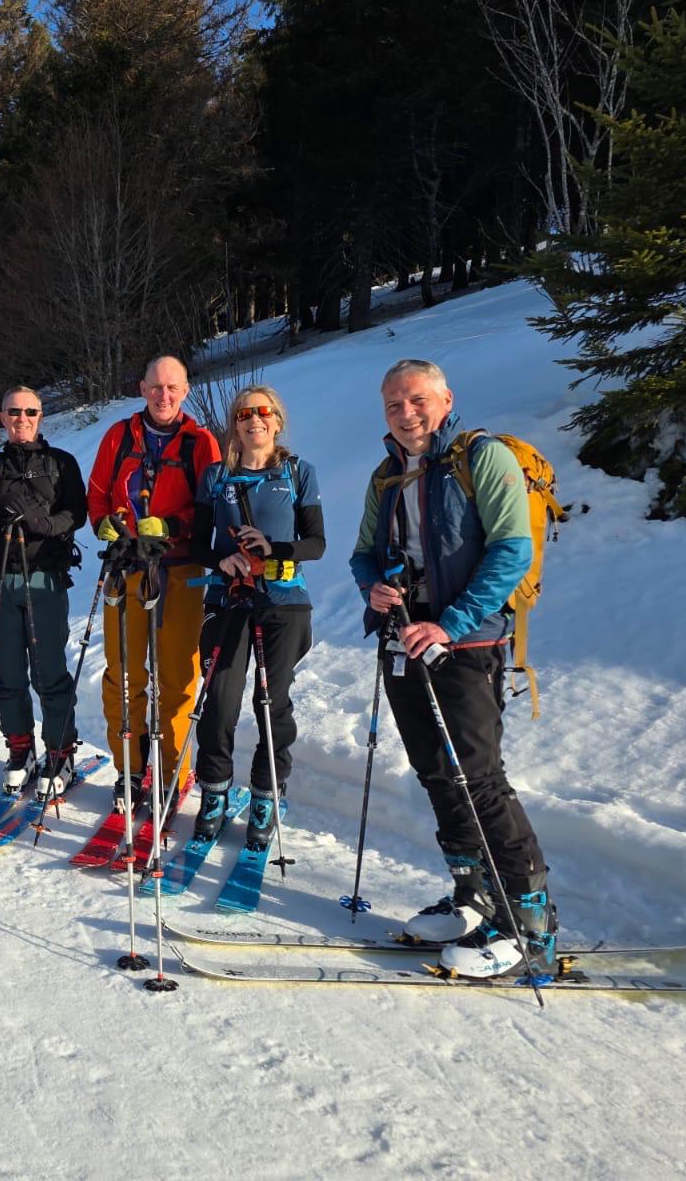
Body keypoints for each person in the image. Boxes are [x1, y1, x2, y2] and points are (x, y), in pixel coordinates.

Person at [349, 359, 553, 979]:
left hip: (466, 641)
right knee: (436, 771)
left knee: (479, 778)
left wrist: (453, 623)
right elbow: (364, 555)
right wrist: (376, 588)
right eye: (392, 404)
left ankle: (530, 923)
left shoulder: (480, 457)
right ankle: (473, 896)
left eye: (415, 401)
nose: (404, 413)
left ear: (444, 400)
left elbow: (512, 549)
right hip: (405, 638)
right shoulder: (387, 476)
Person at [190, 386, 324, 846]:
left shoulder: (297, 472)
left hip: (284, 599)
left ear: (277, 420)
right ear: (235, 423)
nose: (255, 420)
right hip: (228, 599)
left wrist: (274, 550)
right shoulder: (215, 476)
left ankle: (266, 792)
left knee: (273, 700)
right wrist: (219, 562)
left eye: (264, 412)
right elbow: (196, 544)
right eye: (245, 413)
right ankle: (214, 791)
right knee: (220, 697)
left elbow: (317, 543)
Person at [86, 356, 221, 809]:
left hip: (179, 570)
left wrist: (171, 526)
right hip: (125, 568)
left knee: (178, 677)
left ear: (185, 390)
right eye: (156, 387)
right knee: (122, 674)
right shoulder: (119, 436)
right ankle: (129, 768)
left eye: (173, 387)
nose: (164, 396)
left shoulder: (200, 442)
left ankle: (171, 770)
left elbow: (211, 507)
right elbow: (99, 493)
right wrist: (103, 522)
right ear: (142, 388)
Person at [0, 386, 88, 798]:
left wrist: (44, 525)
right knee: (8, 672)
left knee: (49, 671)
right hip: (2, 579)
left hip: (45, 580)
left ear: (40, 416)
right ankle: (20, 748)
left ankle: (60, 751)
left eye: (30, 411)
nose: (22, 418)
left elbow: (78, 513)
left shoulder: (61, 463)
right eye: (14, 411)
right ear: (2, 416)